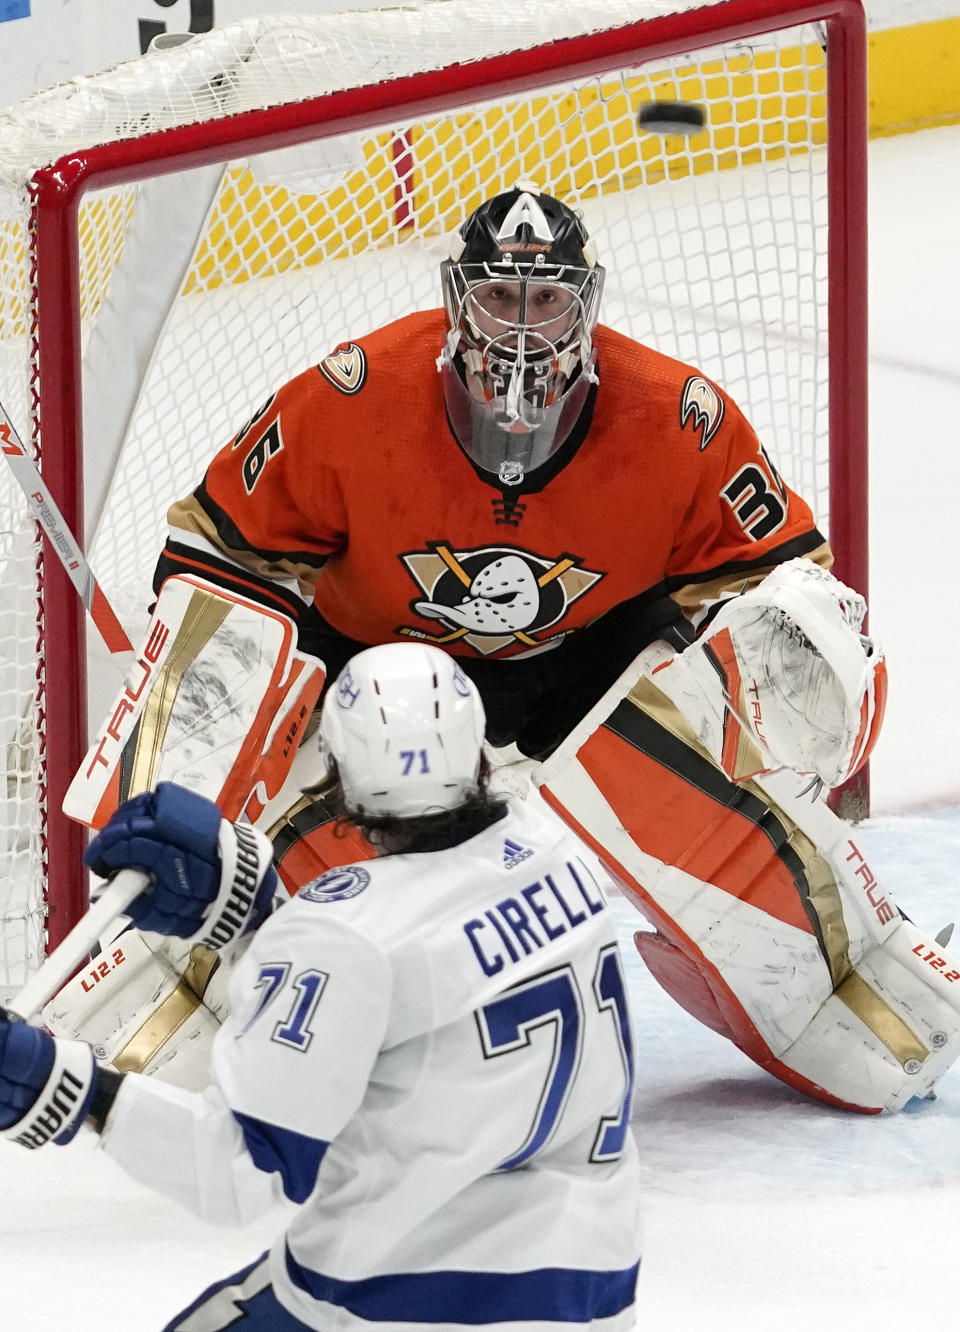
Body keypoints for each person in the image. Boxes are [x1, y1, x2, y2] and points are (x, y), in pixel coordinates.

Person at [60, 179, 960, 1116]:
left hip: (590, 664)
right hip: (381, 670)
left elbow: (785, 584)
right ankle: (176, 972)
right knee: (290, 786)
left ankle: (838, 983)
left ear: (588, 303)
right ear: (458, 298)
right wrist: (203, 729)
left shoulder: (678, 415)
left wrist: (793, 684)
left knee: (721, 723)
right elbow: (215, 557)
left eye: (548, 299)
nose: (523, 327)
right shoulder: (351, 394)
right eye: (500, 297)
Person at [1, 643, 642, 1332]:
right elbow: (416, 985)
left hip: (392, 1299)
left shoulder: (339, 936)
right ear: (478, 755)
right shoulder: (558, 853)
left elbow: (238, 1174)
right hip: (590, 1287)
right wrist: (253, 920)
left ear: (338, 776)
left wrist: (60, 1085)